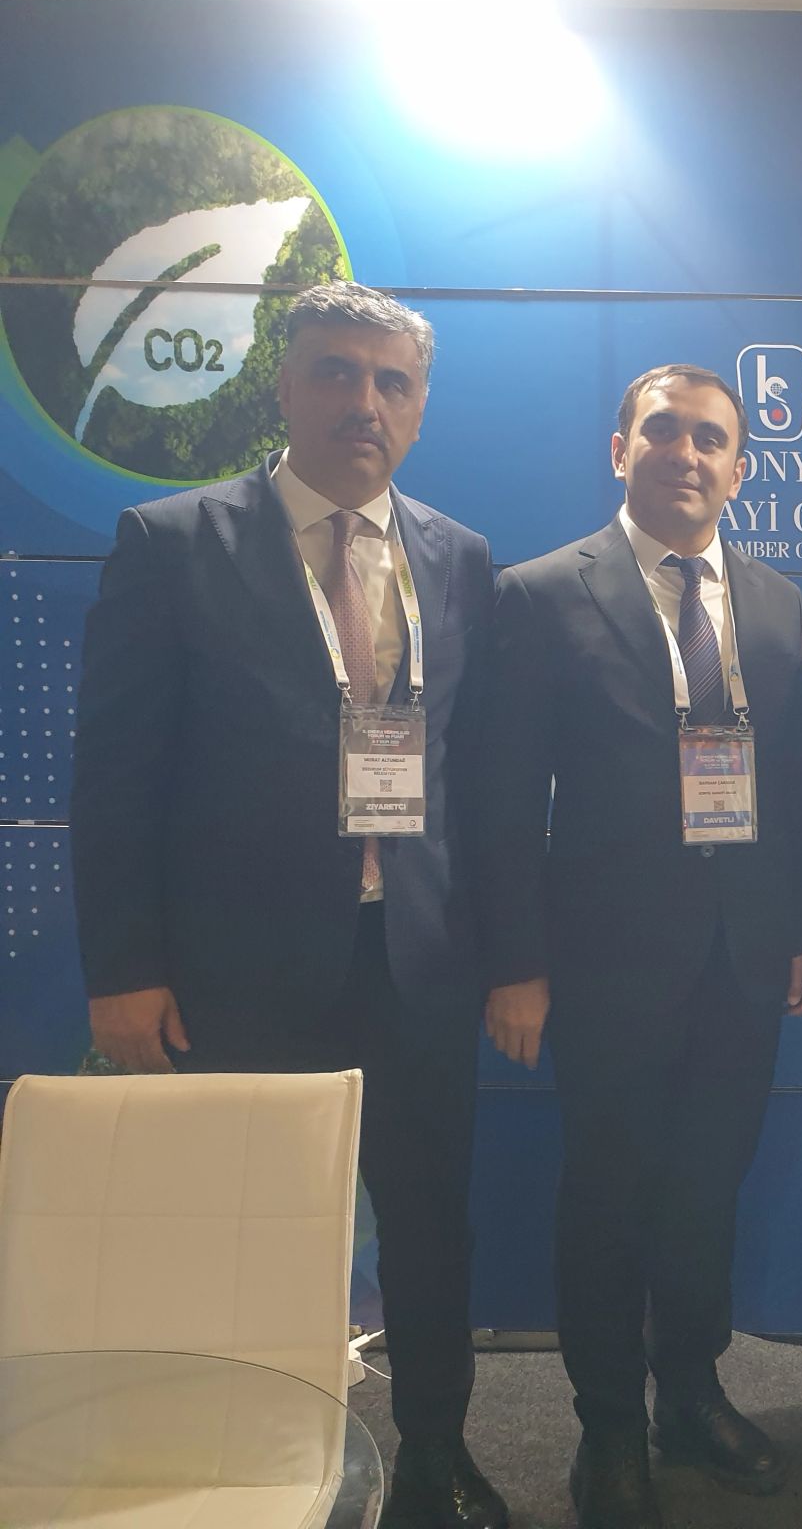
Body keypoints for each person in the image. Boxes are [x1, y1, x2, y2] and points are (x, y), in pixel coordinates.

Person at [71, 283, 506, 1529]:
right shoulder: (173, 542)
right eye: (335, 372)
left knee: (429, 1224)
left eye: (391, 383)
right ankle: (252, 1463)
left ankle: (435, 1454)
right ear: (285, 385)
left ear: (417, 408)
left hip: (415, 959)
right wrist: (124, 971)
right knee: (250, 1229)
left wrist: (500, 953)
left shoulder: (458, 558)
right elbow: (115, 777)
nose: (363, 402)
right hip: (240, 969)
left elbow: (476, 777)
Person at [473, 365, 802, 1529]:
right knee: (607, 1199)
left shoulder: (774, 600)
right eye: (663, 431)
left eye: (710, 438)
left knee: (705, 1194)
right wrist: (515, 964)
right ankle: (607, 1428)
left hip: (743, 959)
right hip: (602, 965)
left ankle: (690, 1395)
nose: (687, 453)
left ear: (741, 467)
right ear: (619, 448)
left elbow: (796, 787)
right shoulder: (540, 594)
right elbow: (500, 799)